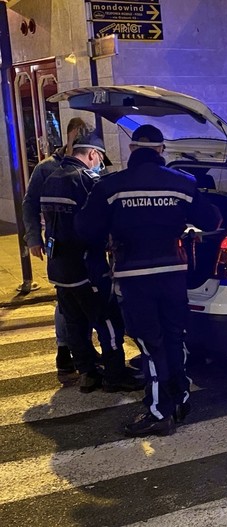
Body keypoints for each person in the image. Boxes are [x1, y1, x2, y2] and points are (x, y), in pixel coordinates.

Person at [76, 124, 221, 437]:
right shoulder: (182, 183)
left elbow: (86, 229)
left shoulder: (110, 186)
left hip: (135, 278)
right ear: (160, 150)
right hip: (173, 276)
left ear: (131, 150)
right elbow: (211, 220)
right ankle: (181, 400)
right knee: (174, 337)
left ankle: (158, 412)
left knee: (150, 344)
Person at [39, 129, 143, 394]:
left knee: (75, 323)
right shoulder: (84, 180)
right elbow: (97, 221)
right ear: (93, 154)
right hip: (87, 267)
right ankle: (115, 374)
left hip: (59, 268)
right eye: (99, 158)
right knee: (108, 320)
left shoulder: (51, 178)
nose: (99, 164)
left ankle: (87, 373)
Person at [22, 117, 93, 384]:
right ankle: (65, 353)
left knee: (81, 300)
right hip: (61, 245)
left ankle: (84, 356)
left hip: (87, 246)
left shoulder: (92, 160)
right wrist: (33, 239)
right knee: (66, 300)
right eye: (81, 134)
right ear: (70, 135)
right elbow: (30, 204)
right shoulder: (46, 168)